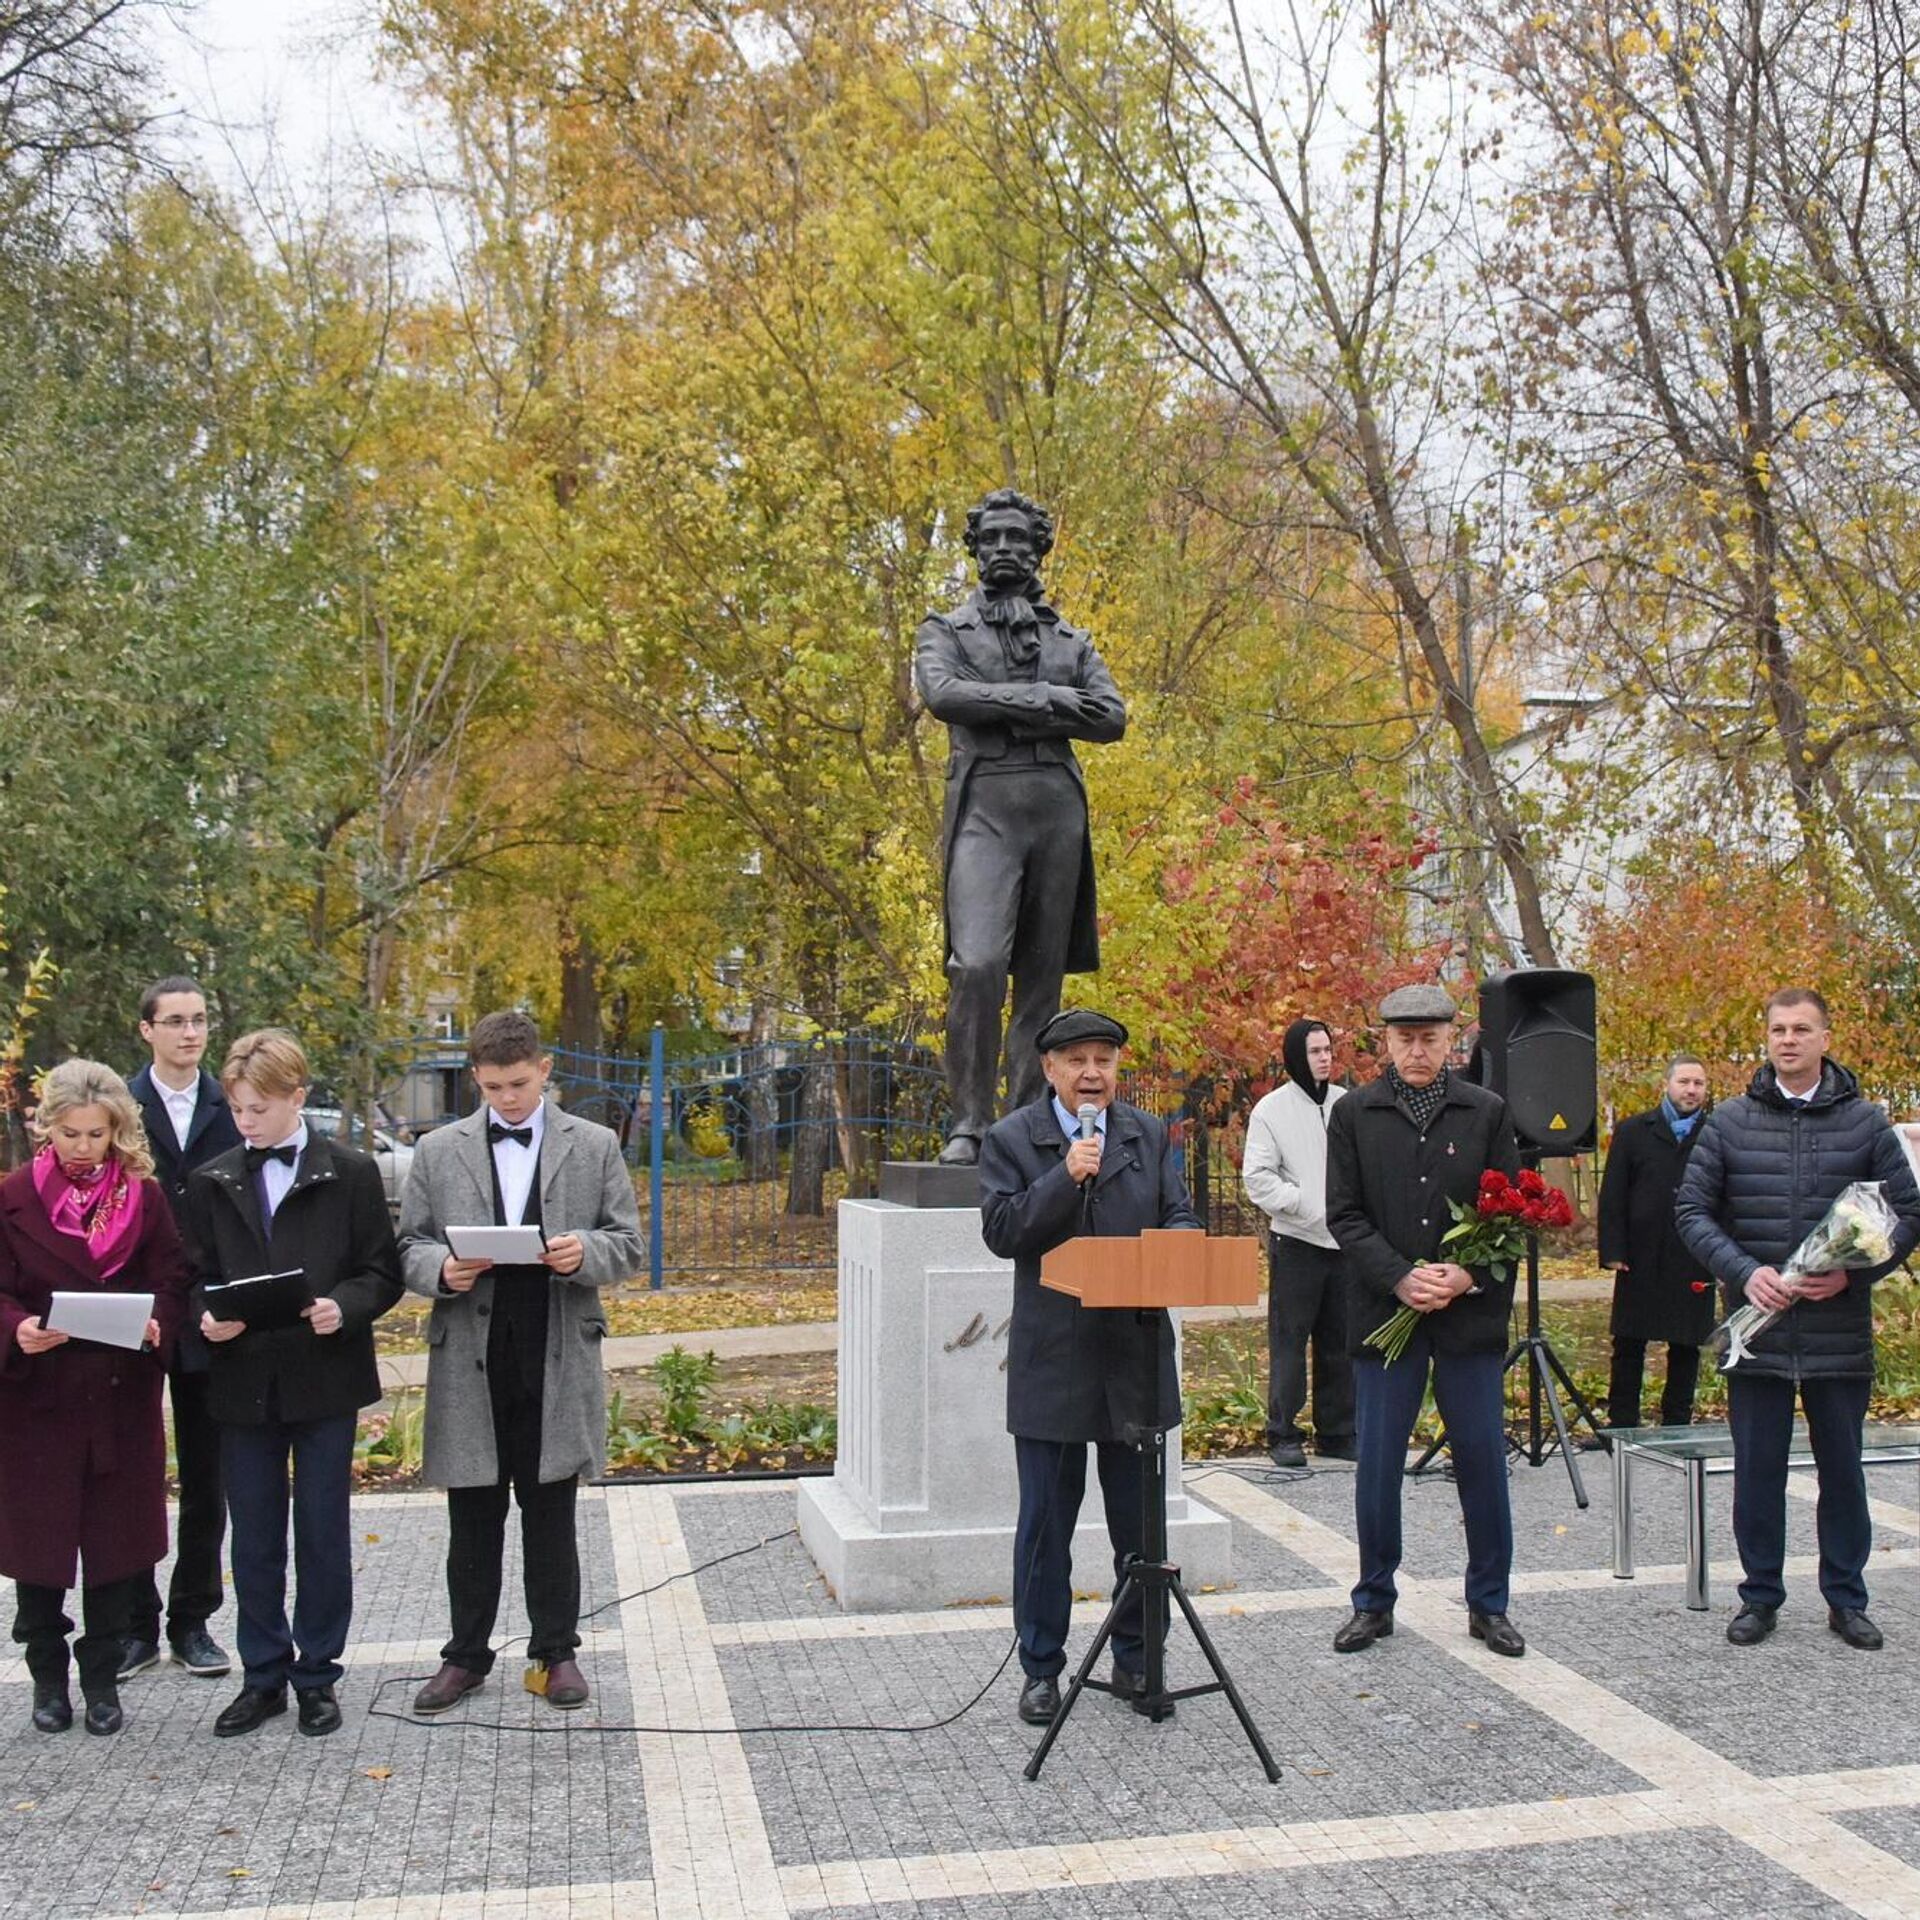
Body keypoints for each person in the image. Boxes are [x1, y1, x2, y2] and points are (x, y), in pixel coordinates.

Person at [397, 1010, 644, 1714]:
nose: (507, 1098)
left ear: (544, 1071)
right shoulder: (439, 1151)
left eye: (518, 1084)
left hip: (556, 1347)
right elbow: (407, 1246)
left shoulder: (594, 1146)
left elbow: (627, 1242)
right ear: (475, 1078)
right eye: (493, 1086)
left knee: (550, 1509)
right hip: (470, 1355)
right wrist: (443, 1268)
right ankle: (465, 1657)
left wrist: (583, 1253)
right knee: (472, 1513)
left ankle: (554, 1653)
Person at [1675, 988, 1920, 1650]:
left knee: (1842, 1470)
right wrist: (1742, 1271)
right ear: (1767, 1039)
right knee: (1758, 1471)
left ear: (1825, 1038)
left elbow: (1907, 1214)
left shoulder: (1867, 1124)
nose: (1789, 1039)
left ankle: (1847, 1599)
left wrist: (1855, 1272)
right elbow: (1693, 1210)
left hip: (1838, 1332)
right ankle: (1760, 1597)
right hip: (1758, 1330)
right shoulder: (1728, 1122)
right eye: (1778, 1029)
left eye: (1802, 1029)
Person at [978, 1008, 1201, 1725]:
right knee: (1046, 1526)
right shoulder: (1014, 1140)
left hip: (1133, 1359)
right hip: (1055, 1364)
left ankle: (1140, 1661)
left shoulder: (1147, 1132)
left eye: (1104, 1059)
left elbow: (1180, 1213)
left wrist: (1182, 1242)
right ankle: (1042, 1667)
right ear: (1050, 1069)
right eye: (1076, 1059)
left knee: (1141, 1531)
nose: (1092, 1073)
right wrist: (1063, 1178)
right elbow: (1004, 1231)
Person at [185, 1030, 403, 1736]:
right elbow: (190, 1277)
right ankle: (263, 1675)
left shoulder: (351, 1172)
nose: (246, 1122)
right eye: (239, 1110)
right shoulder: (213, 1179)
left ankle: (317, 1675)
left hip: (324, 1379)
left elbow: (381, 1272)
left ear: (298, 1099)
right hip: (244, 1382)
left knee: (320, 1532)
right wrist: (205, 1316)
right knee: (251, 1537)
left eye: (260, 1110)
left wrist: (346, 1306)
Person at [915, 489, 1127, 1165]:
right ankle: (969, 1122)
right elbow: (946, 696)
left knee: (1042, 979)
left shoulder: (1073, 640)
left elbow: (1111, 717)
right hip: (986, 806)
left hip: (1056, 809)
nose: (1004, 549)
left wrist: (1004, 706)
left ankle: (1021, 1125)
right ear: (975, 550)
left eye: (1017, 539)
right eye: (992, 539)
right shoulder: (944, 630)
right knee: (976, 965)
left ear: (1038, 550)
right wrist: (1047, 700)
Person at [1325, 984, 1526, 1658]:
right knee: (1378, 1463)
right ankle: (1373, 1600)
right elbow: (1345, 1215)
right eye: (1404, 1038)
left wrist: (1466, 1275)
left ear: (1452, 1041)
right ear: (1384, 1041)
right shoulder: (1353, 1114)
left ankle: (1489, 1603)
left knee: (1481, 1460)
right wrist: (1399, 1275)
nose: (1417, 1049)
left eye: (1430, 1038)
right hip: (1386, 1312)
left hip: (1466, 1319)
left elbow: (1510, 1214)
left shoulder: (1487, 1112)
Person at [0, 1060, 187, 1735]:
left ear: (117, 1131)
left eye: (96, 1134)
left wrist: (153, 1322)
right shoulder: (12, 1196)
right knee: (40, 1552)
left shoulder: (144, 1199)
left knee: (114, 1550)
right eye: (70, 1133)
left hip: (119, 1399)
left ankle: (103, 1679)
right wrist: (17, 1329)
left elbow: (172, 1277)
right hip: (37, 1403)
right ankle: (47, 1679)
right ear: (48, 1128)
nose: (83, 1147)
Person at [124, 973, 241, 1682]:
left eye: (198, 1019)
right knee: (133, 1474)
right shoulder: (121, 1105)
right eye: (174, 1021)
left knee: (209, 1474)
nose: (189, 1032)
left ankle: (191, 1619)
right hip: (134, 1308)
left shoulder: (231, 1106)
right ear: (148, 1030)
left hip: (208, 1306)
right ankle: (133, 1624)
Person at [1242, 1019, 1353, 1469]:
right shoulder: (1271, 1110)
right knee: (1290, 1342)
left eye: (1328, 1048)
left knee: (1340, 1342)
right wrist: (1308, 1206)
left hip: (1344, 1243)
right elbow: (1258, 1179)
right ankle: (1283, 1432)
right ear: (1294, 1056)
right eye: (1314, 1051)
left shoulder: (1348, 1104)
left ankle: (1339, 1431)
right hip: (1297, 1242)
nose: (1324, 1058)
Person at [1598, 1054, 1714, 1432]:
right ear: (1667, 1084)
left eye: (1698, 1083)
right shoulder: (1634, 1131)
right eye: (1684, 1082)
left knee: (1686, 1343)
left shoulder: (1715, 1135)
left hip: (1693, 1254)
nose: (1691, 1090)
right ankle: (1622, 1422)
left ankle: (1676, 1422)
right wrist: (1613, 1250)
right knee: (1629, 1342)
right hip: (1640, 1253)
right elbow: (1613, 1193)